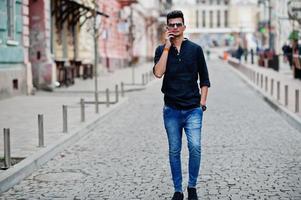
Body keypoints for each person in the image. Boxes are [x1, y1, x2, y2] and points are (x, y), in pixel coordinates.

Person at [153, 10, 210, 200]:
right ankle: (178, 190)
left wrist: (202, 103)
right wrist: (167, 47)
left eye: (179, 24)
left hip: (193, 109)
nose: (175, 28)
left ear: (184, 27)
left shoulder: (195, 49)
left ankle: (191, 186)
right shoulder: (161, 50)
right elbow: (158, 73)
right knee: (174, 150)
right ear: (167, 27)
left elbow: (205, 79)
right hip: (171, 110)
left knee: (195, 147)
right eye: (172, 25)